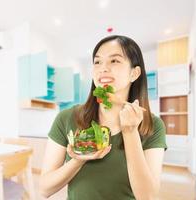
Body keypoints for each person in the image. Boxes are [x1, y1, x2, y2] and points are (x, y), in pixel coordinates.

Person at [39, 35, 167, 200]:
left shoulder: (153, 125)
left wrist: (130, 132)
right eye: (97, 62)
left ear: (134, 73)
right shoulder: (66, 118)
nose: (103, 68)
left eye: (114, 61)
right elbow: (44, 190)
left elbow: (148, 197)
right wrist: (78, 160)